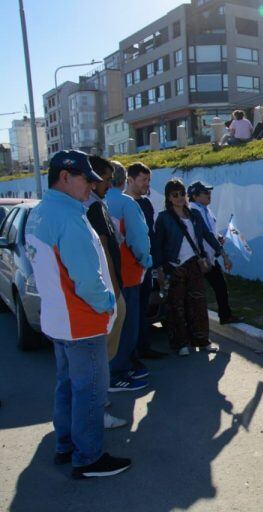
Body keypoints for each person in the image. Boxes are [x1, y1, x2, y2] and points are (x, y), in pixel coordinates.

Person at [25, 150, 131, 478]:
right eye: (87, 179)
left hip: (59, 318)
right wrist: (108, 305)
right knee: (90, 390)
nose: (92, 186)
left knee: (67, 386)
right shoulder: (68, 217)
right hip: (81, 321)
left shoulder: (42, 213)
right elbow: (86, 278)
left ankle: (66, 445)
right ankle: (88, 458)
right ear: (65, 177)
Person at [85, 156, 129, 430]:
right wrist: (113, 293)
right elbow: (103, 252)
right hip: (107, 290)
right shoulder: (89, 209)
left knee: (101, 356)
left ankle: (98, 401)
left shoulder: (97, 205)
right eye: (106, 179)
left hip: (110, 288)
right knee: (97, 358)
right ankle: (96, 410)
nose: (110, 184)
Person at [154, 179, 222, 355]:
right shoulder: (164, 218)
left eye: (182, 194)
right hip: (174, 265)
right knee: (176, 306)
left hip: (194, 263)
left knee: (198, 303)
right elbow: (158, 245)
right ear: (168, 197)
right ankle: (181, 343)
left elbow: (206, 235)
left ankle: (202, 340)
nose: (179, 198)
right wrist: (160, 269)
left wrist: (221, 251)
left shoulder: (194, 215)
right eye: (174, 195)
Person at [105, 163, 152, 392]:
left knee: (112, 325)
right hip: (128, 273)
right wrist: (146, 261)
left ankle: (117, 367)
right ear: (124, 180)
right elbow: (139, 240)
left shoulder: (92, 203)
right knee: (127, 324)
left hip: (105, 275)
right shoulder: (125, 203)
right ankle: (119, 371)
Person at [124, 162, 167, 360]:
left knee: (142, 309)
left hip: (147, 266)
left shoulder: (146, 203)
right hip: (129, 268)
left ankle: (144, 346)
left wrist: (157, 266)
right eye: (143, 180)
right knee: (130, 313)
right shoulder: (121, 203)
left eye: (148, 180)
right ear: (130, 180)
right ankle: (129, 352)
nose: (147, 184)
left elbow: (152, 235)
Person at [188, 181, 243, 325]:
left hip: (210, 257)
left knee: (220, 287)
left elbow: (210, 231)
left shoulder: (206, 210)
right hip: (200, 259)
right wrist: (222, 252)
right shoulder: (194, 211)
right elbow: (203, 234)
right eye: (205, 193)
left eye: (209, 192)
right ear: (195, 196)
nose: (209, 195)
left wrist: (218, 238)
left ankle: (225, 316)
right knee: (199, 292)